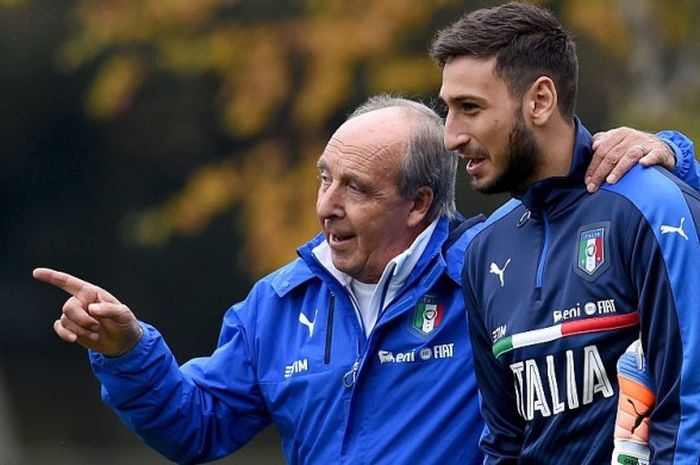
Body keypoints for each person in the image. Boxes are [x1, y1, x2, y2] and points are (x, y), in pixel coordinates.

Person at [34, 94, 694, 464]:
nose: (327, 203)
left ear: (419, 204)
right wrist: (127, 352)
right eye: (325, 176)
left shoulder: (494, 271)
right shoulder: (278, 301)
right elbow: (195, 425)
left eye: (356, 186)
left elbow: (622, 226)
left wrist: (671, 153)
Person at [431, 2, 700, 464]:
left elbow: (690, 410)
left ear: (539, 100)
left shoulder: (652, 208)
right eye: (448, 110)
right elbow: (504, 441)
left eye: (470, 108)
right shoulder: (484, 250)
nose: (450, 135)